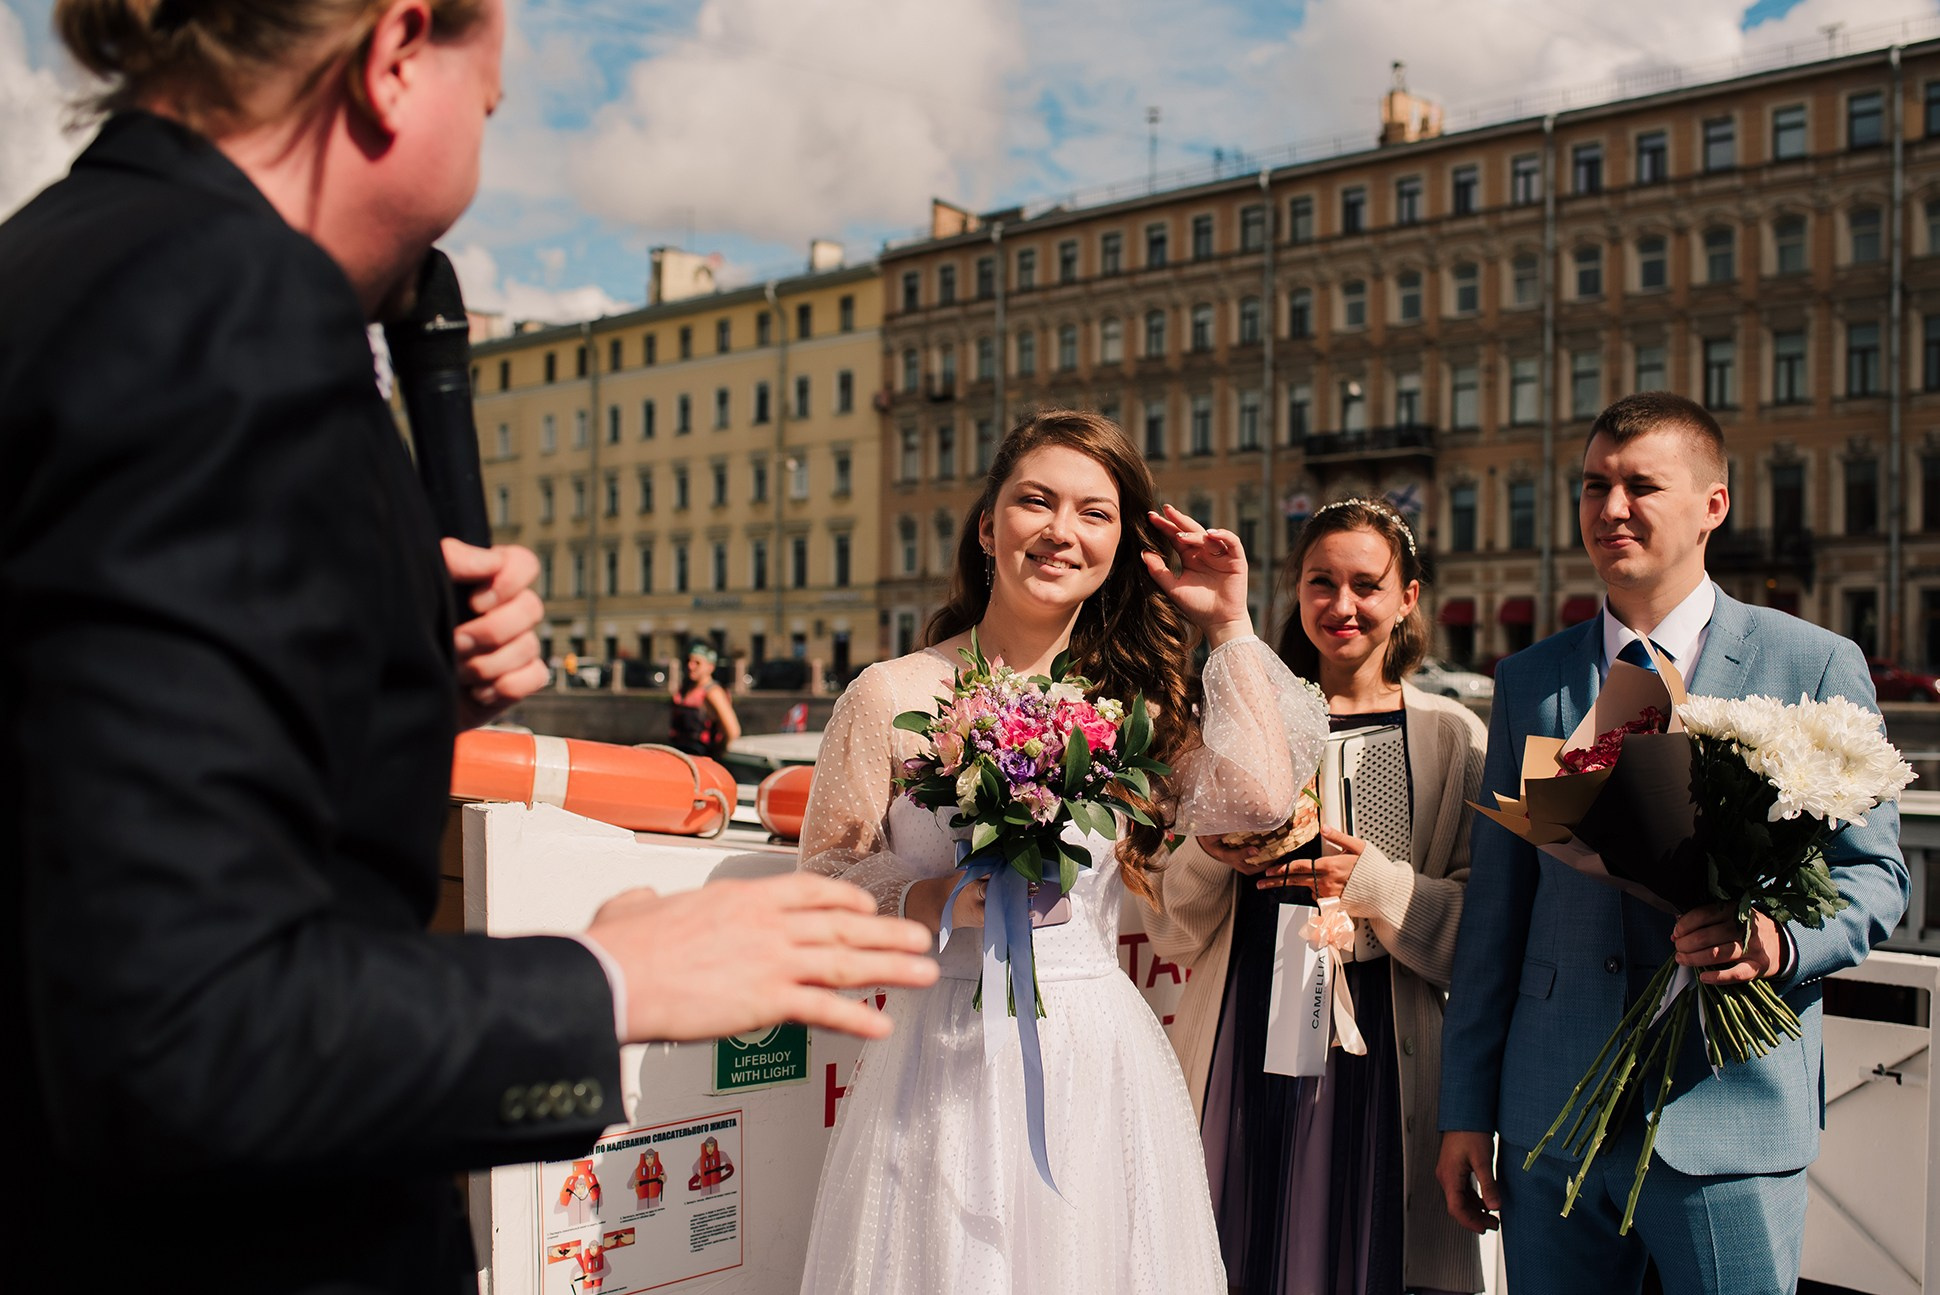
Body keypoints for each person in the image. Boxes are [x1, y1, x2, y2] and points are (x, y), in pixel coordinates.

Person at [0, 2, 936, 1290]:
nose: (479, 167)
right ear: (395, 55)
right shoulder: (226, 322)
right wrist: (605, 984)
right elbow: (181, 1030)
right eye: (487, 105)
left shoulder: (56, 262)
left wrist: (387, 672)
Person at [794, 409, 1328, 1294]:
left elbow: (1261, 795)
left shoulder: (1134, 708)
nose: (1061, 531)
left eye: (1095, 512)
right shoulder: (890, 694)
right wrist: (935, 899)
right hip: (939, 1058)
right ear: (987, 524)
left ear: (1121, 542)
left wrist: (1228, 622)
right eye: (1035, 501)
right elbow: (820, 880)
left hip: (1096, 1057)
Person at [1435, 392, 1910, 1295]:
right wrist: (1467, 1110)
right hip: (1550, 1119)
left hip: (1730, 1115)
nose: (1611, 508)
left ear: (1713, 506)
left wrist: (1777, 940)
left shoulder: (1810, 662)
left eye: (1641, 485)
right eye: (1593, 485)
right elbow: (1496, 916)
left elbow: (1878, 877)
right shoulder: (1529, 678)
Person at [1148, 498, 1486, 1295]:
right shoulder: (1229, 724)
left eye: (1367, 584)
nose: (1341, 605)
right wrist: (1206, 849)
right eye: (1319, 582)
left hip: (1387, 1055)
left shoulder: (1455, 735)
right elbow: (1170, 925)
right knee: (1240, 1252)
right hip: (1242, 1043)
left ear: (1408, 597)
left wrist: (1373, 885)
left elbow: (1484, 932)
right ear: (1293, 592)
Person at [668, 642, 741, 757]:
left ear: (710, 667)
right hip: (680, 754)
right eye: (689, 661)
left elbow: (733, 731)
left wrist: (719, 755)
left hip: (701, 756)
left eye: (697, 663)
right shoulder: (686, 689)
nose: (690, 666)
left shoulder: (713, 692)